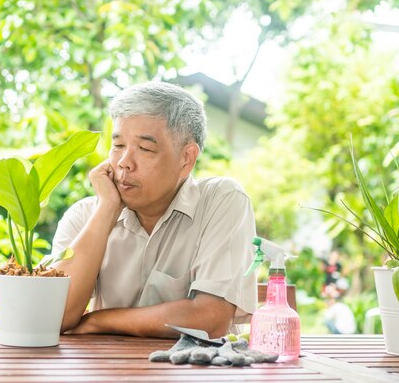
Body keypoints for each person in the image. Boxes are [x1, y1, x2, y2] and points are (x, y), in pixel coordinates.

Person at [51, 82, 257, 339]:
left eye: (145, 148)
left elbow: (210, 319)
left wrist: (98, 320)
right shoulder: (83, 216)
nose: (124, 162)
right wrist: (107, 209)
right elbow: (54, 314)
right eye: (117, 146)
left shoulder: (221, 200)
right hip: (108, 370)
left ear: (187, 159)